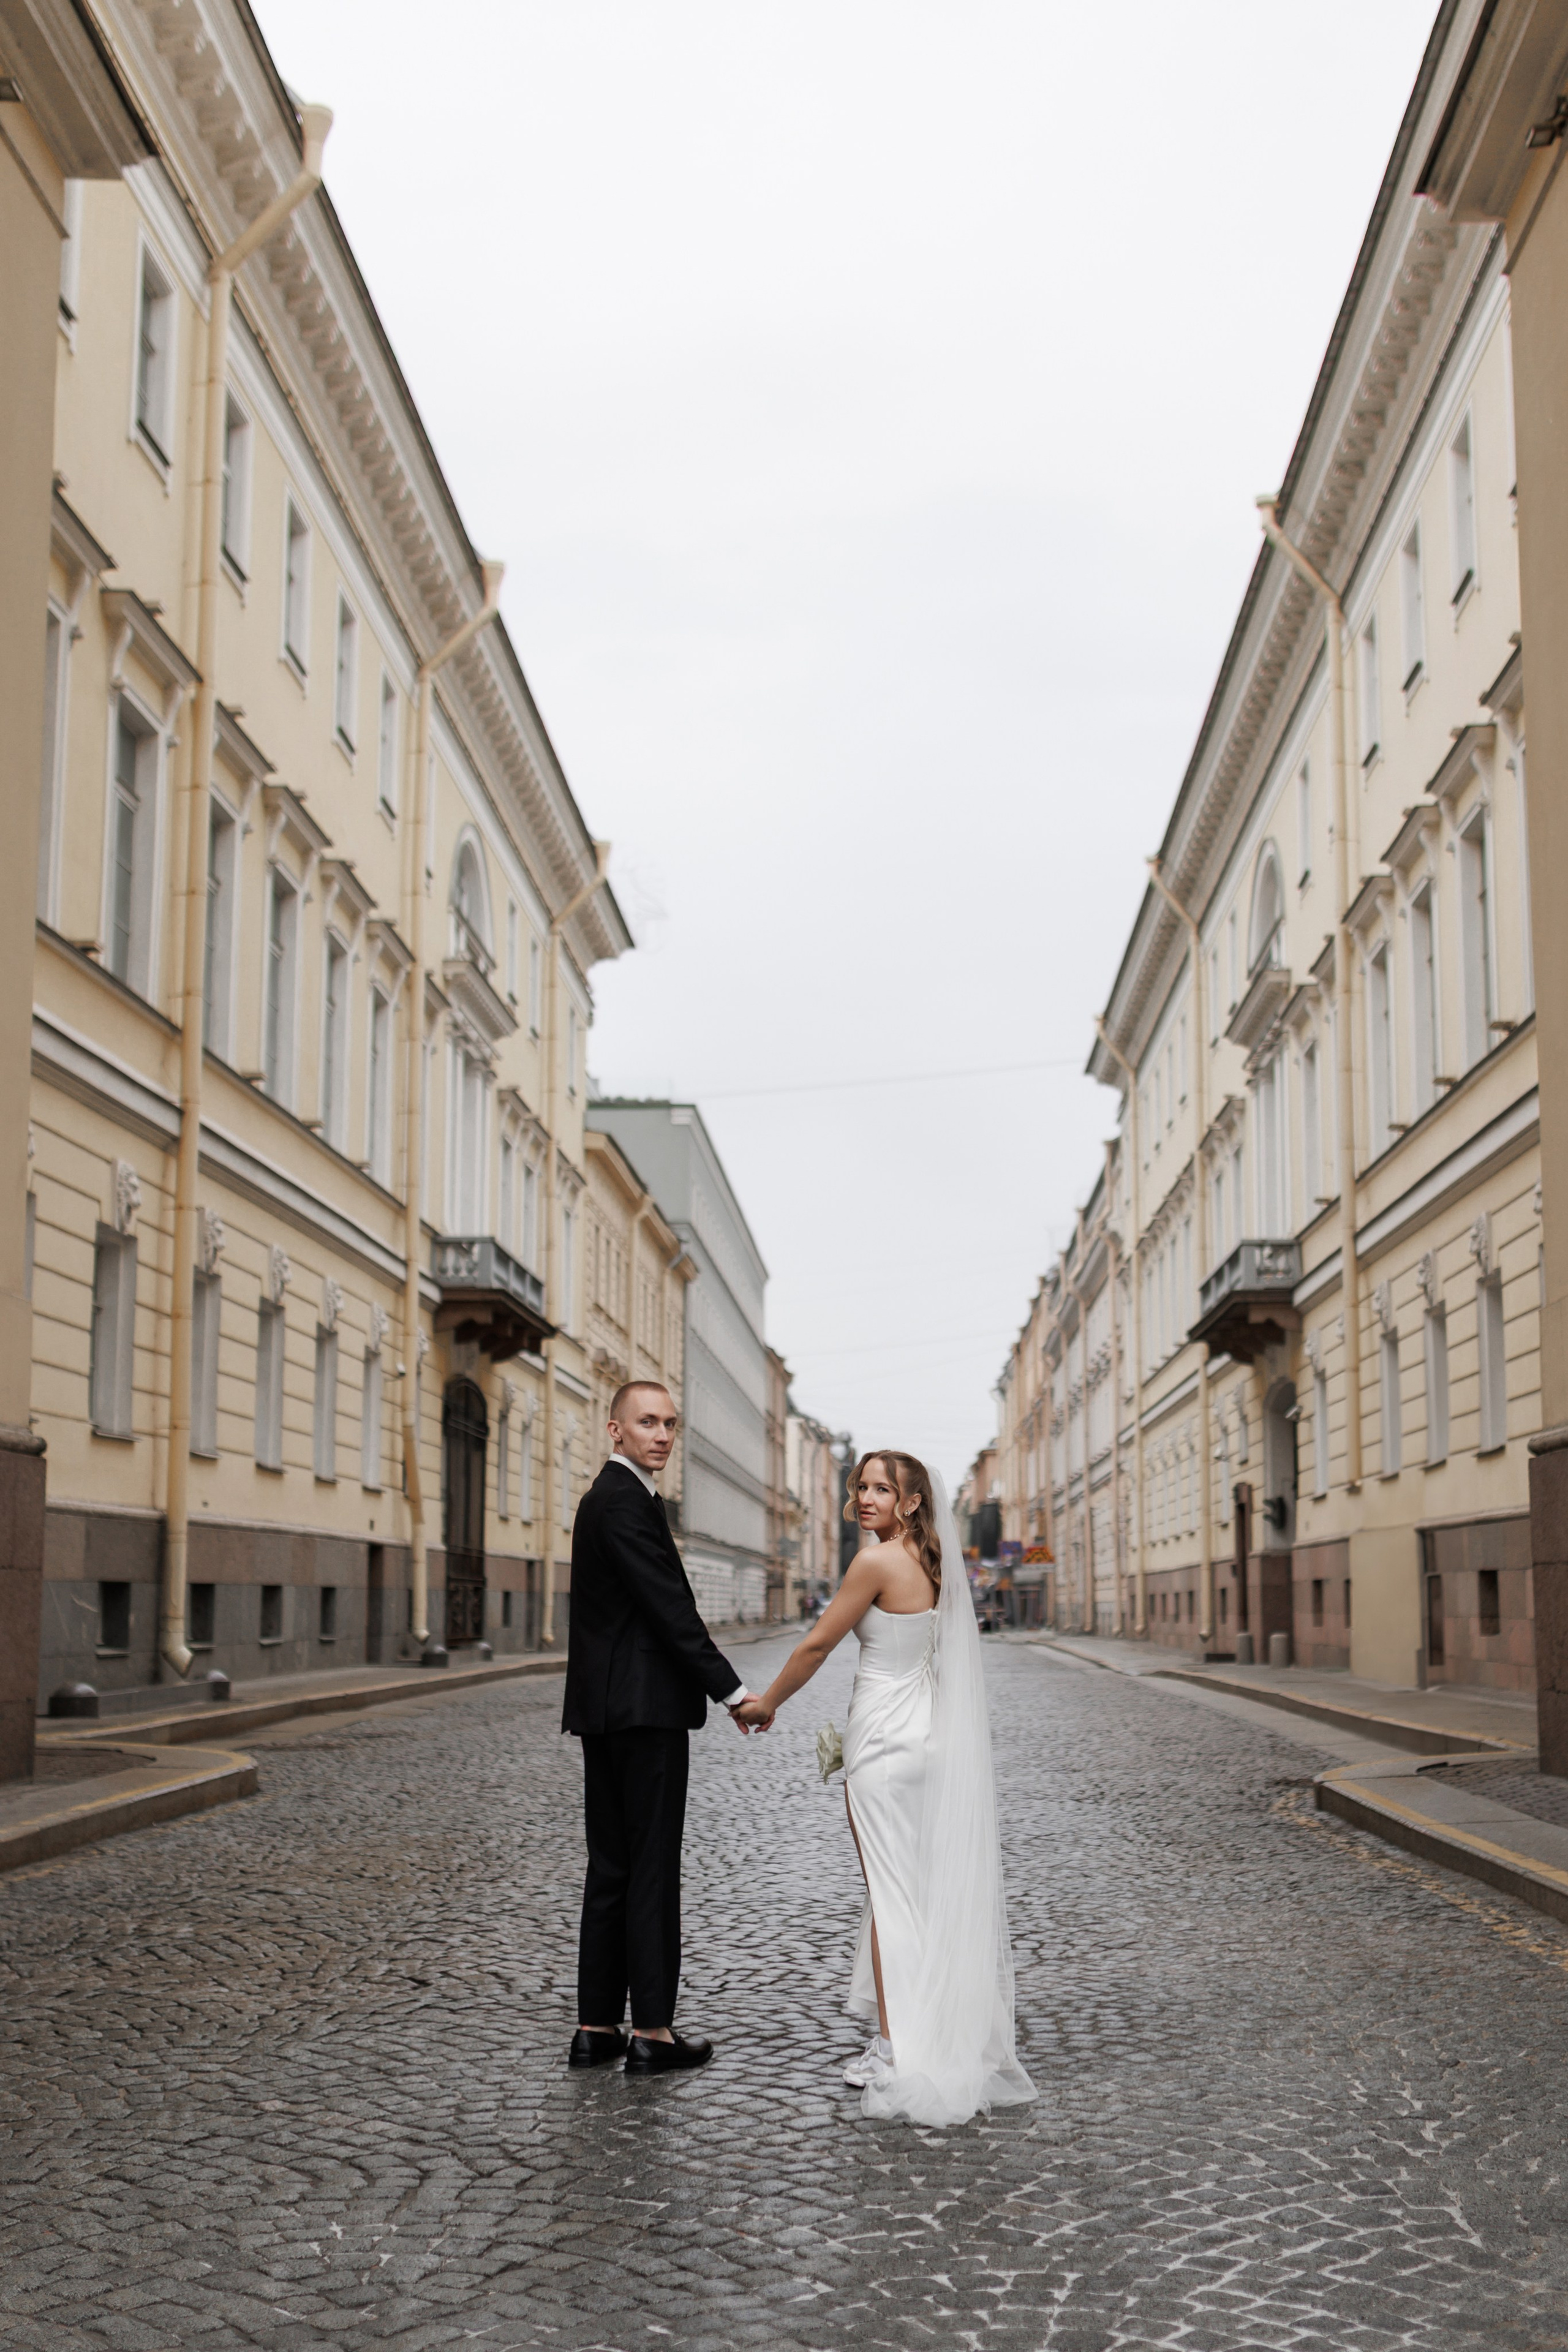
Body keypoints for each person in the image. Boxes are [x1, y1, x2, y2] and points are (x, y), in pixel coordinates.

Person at [737, 1449, 1036, 2127]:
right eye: (860, 1486)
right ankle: (917, 2030)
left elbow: (817, 1644)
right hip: (929, 1739)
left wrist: (768, 1703)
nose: (865, 1497)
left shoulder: (874, 1562)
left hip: (882, 1744)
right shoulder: (931, 1561)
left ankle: (900, 2049)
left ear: (909, 1502)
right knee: (918, 1890)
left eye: (881, 1489)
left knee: (889, 1892)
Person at [562, 1381, 763, 2075]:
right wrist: (734, 1692)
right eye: (647, 1422)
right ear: (614, 1430)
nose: (662, 1435)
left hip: (610, 1710)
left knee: (612, 1868)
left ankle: (596, 2029)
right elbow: (669, 1609)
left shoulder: (609, 1499)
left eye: (670, 1423)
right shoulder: (623, 1502)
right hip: (640, 1711)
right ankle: (650, 2032)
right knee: (647, 1870)